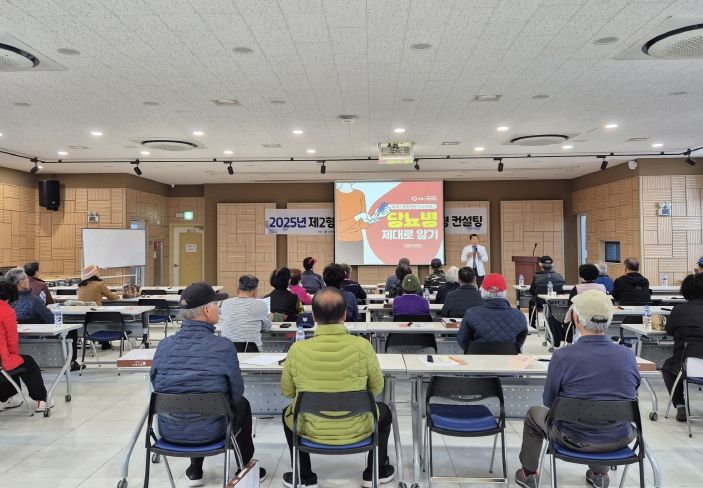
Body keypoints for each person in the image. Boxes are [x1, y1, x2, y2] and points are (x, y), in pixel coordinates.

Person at [514, 290, 640, 488]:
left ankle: (528, 473)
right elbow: (632, 392)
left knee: (533, 414)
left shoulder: (563, 356)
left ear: (577, 319)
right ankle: (600, 473)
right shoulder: (628, 355)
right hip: (619, 438)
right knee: (603, 417)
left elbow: (549, 401)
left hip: (572, 438)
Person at [151, 282, 265, 486]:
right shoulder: (223, 346)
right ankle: (244, 466)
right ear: (206, 310)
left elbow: (156, 384)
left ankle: (195, 470)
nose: (219, 308)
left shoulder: (164, 345)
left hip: (169, 430)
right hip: (214, 430)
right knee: (242, 405)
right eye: (216, 305)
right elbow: (236, 392)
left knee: (190, 400)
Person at [280, 287, 395, 488]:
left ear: (314, 317)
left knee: (288, 414)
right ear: (344, 315)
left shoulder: (297, 349)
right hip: (357, 425)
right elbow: (376, 388)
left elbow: (288, 391)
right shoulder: (363, 346)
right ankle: (374, 472)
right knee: (384, 412)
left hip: (310, 427)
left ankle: (303, 476)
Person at [5, 268, 82, 372]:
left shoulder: (6, 302)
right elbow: (51, 321)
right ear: (21, 283)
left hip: (10, 348)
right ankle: (71, 363)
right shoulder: (34, 300)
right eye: (26, 278)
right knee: (71, 331)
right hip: (35, 346)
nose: (28, 280)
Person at [0, 281, 50, 412]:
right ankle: (41, 400)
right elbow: (12, 340)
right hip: (2, 360)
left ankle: (5, 399)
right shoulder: (7, 311)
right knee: (27, 362)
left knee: (12, 365)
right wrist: (13, 355)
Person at [662, 273, 703, 422]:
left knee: (668, 367)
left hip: (686, 365)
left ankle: (680, 405)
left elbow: (669, 330)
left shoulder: (679, 310)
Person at [457, 273, 527, 352]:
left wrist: (473, 350)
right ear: (504, 291)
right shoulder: (519, 315)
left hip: (477, 358)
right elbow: (519, 341)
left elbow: (462, 340)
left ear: (483, 291)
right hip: (508, 358)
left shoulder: (471, 313)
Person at [220, 275, 272, 352]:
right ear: (255, 291)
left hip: (228, 351)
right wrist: (269, 319)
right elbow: (266, 328)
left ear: (238, 289)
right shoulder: (261, 304)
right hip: (253, 351)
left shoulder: (225, 303)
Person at [563, 264, 607, 344]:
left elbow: (570, 304)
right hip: (599, 318)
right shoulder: (602, 287)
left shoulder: (577, 288)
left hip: (581, 319)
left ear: (581, 275)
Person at [528, 256, 565, 329]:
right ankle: (549, 325)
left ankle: (532, 324)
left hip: (540, 303)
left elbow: (531, 291)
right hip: (556, 303)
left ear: (540, 264)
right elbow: (562, 291)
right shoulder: (559, 276)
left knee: (532, 301)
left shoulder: (536, 277)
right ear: (552, 265)